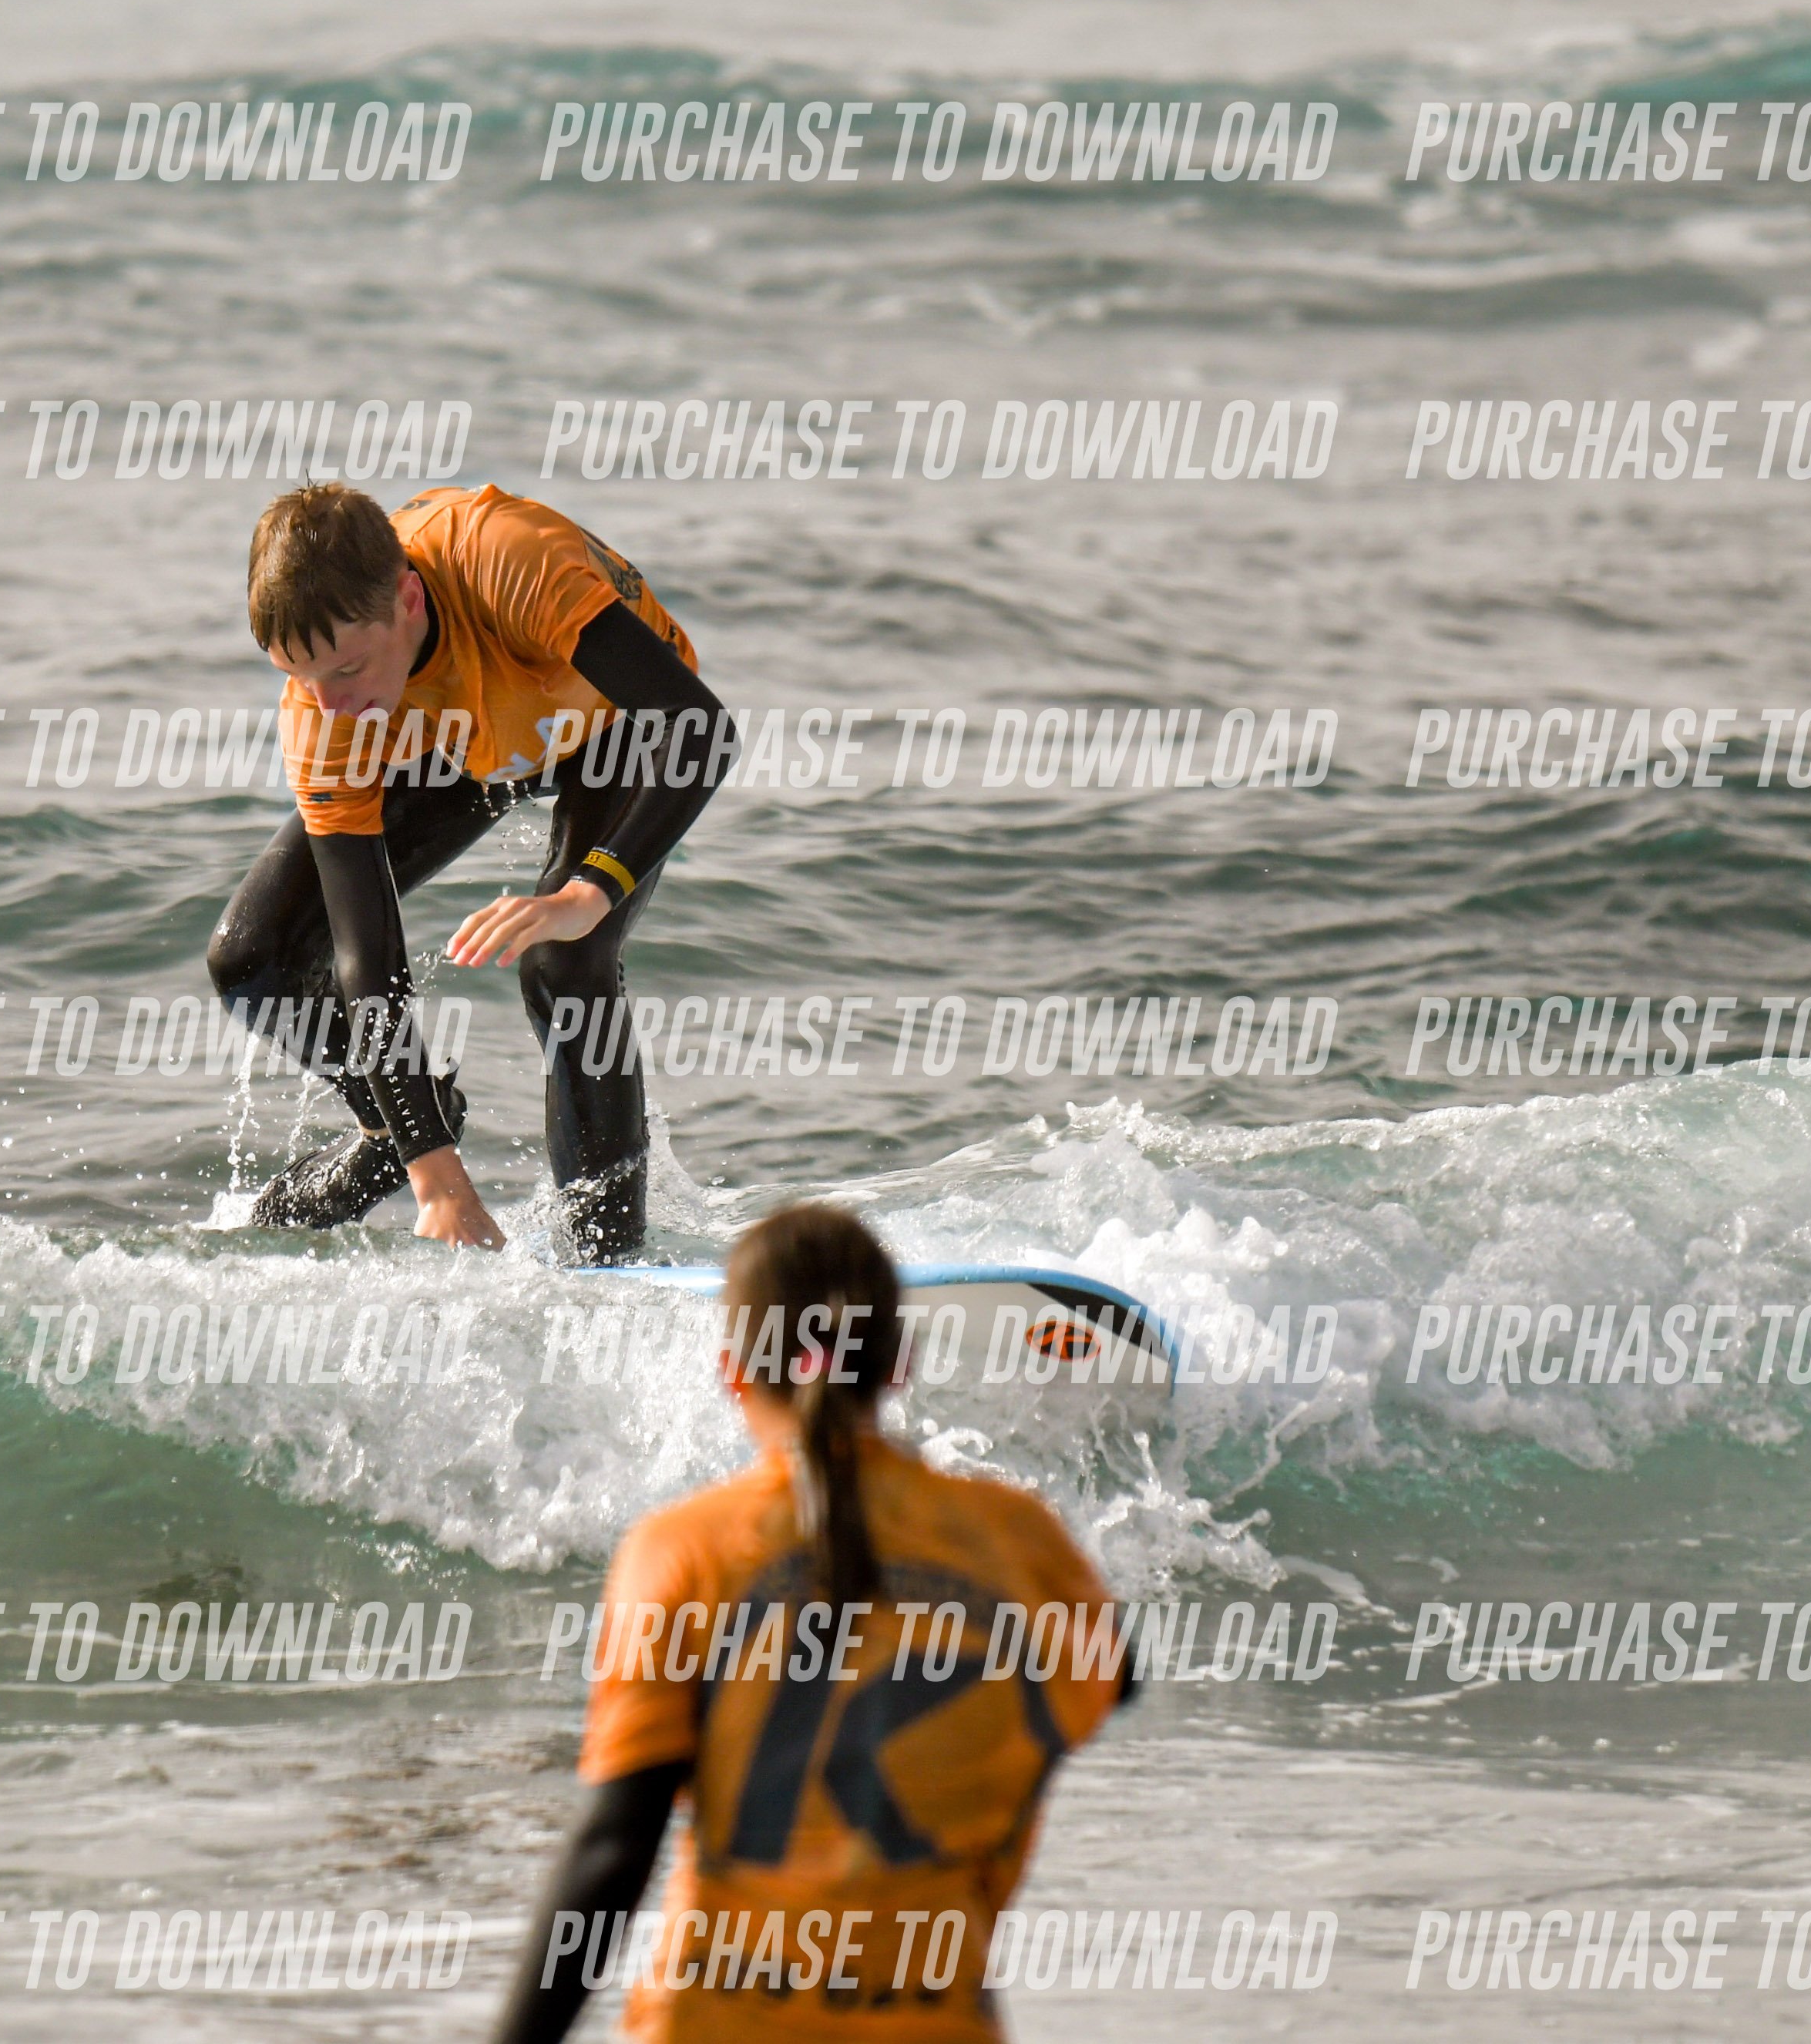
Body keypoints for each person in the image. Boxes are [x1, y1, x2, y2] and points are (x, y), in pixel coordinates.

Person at [492, 1203, 1130, 2041]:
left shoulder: (683, 1550)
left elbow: (616, 1847)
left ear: (732, 1372)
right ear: (900, 1364)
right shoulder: (1016, 1537)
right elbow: (1113, 1677)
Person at [208, 478, 728, 1264]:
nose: (326, 702)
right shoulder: (326, 707)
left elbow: (700, 728)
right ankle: (398, 1133)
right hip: (464, 738)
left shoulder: (506, 562)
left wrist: (589, 893)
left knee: (562, 959)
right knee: (253, 957)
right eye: (298, 675)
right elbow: (365, 956)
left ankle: (607, 1256)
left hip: (617, 722)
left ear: (408, 601)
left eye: (346, 669)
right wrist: (435, 1174)